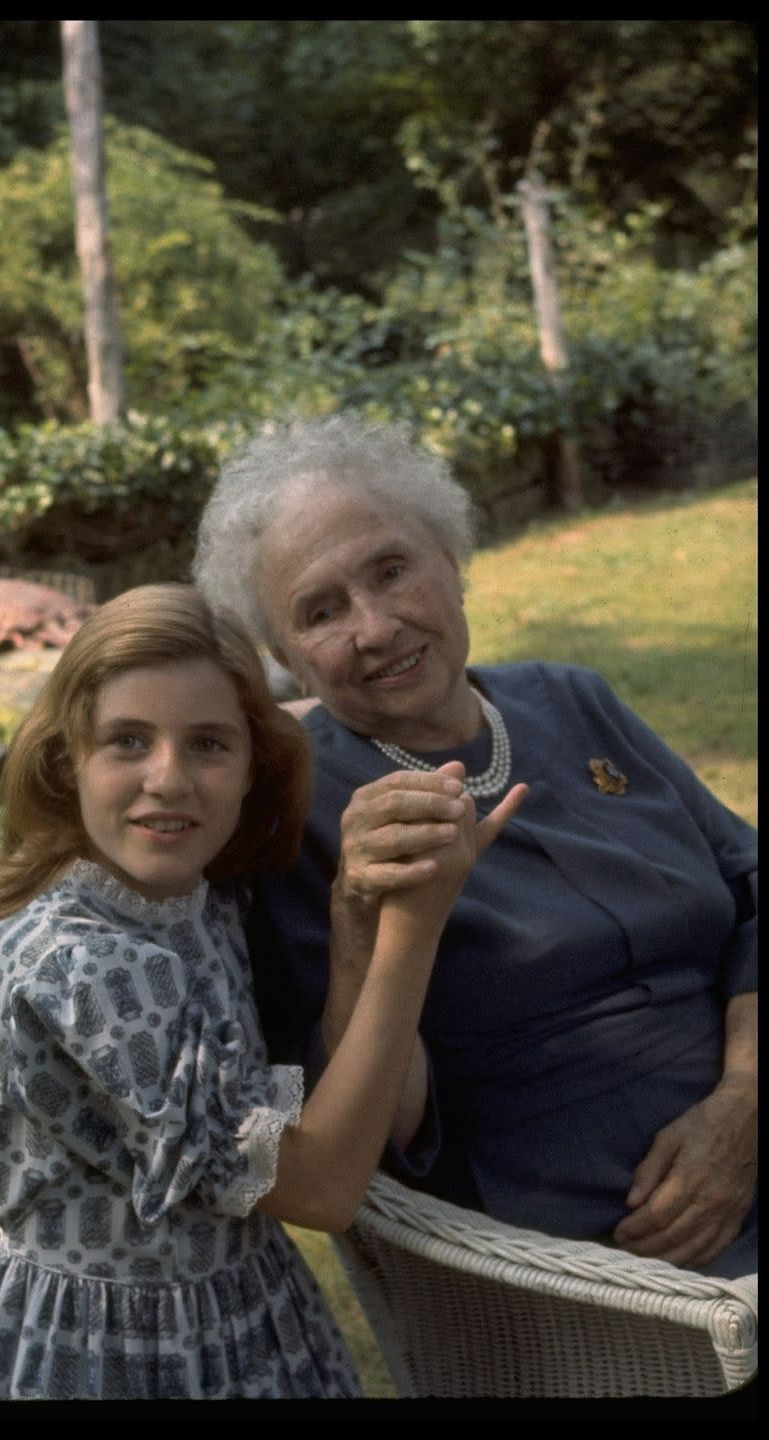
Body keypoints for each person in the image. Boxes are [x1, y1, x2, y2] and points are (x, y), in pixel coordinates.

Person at [0, 583, 523, 1401]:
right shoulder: (86, 961)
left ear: (250, 768)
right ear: (68, 760)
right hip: (114, 1350)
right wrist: (413, 929)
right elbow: (322, 1188)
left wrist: (351, 921)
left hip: (241, 1311)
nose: (167, 779)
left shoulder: (188, 898)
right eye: (128, 741)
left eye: (208, 745)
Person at [193, 412, 758, 1281]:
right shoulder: (300, 813)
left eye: (391, 570)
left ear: (450, 560)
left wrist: (743, 1098)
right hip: (607, 1238)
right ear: (286, 659)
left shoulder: (572, 701)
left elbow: (749, 883)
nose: (376, 626)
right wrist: (361, 923)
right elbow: (372, 1121)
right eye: (321, 611)